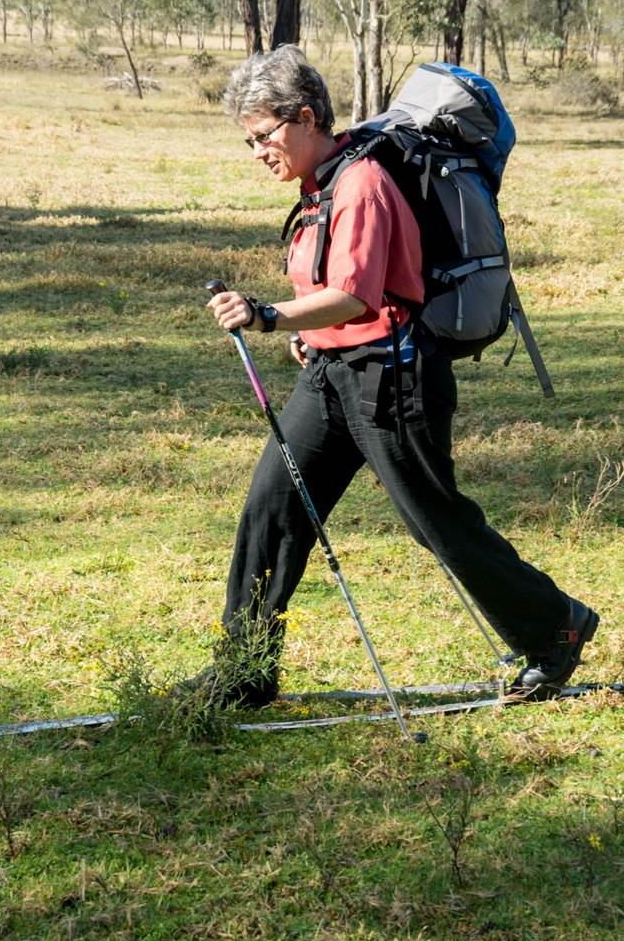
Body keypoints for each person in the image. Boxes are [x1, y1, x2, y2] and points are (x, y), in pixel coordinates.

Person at [195, 45, 598, 708]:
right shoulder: (320, 183)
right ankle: (244, 672)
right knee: (273, 510)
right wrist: (308, 332)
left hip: (393, 379)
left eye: (263, 135)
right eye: (249, 141)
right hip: (330, 376)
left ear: (303, 116)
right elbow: (337, 294)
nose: (257, 151)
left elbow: (355, 292)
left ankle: (556, 626)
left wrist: (269, 315)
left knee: (436, 521)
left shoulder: (361, 184)